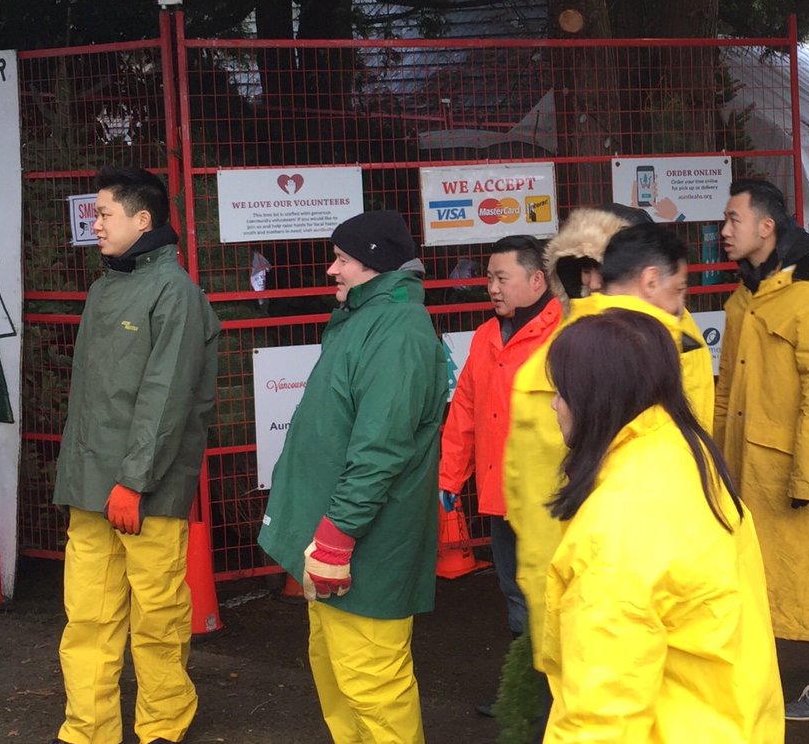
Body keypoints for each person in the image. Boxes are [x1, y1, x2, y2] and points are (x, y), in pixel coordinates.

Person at [540, 309, 785, 742]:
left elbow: (602, 715)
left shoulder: (616, 528)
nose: (554, 404)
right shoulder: (686, 453)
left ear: (598, 398)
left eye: (562, 391)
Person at [257, 210, 447, 744]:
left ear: (375, 266)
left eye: (342, 259)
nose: (330, 271)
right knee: (339, 674)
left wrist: (338, 537)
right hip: (340, 540)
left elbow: (381, 448)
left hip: (365, 547)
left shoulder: (397, 331)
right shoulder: (368, 319)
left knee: (372, 685)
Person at [52, 166, 221, 744]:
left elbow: (166, 399)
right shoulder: (105, 287)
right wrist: (83, 482)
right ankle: (87, 731)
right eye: (95, 214)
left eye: (103, 214)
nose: (93, 223)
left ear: (142, 219)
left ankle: (163, 730)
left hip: (144, 494)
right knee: (88, 621)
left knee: (158, 623)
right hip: (92, 490)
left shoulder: (176, 294)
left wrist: (134, 482)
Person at [505, 219, 713, 672]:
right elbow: (689, 461)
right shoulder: (672, 347)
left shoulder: (551, 355)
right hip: (636, 595)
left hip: (564, 590)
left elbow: (522, 496)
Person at [714, 178, 809, 722]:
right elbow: (727, 389)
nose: (724, 231)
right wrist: (716, 460)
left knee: (805, 571)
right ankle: (757, 682)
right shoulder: (744, 299)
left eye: (733, 220)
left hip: (791, 473)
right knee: (751, 575)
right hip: (744, 466)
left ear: (766, 227)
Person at [438, 234, 562, 715]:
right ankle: (527, 693)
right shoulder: (488, 335)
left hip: (550, 498)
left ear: (536, 280)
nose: (491, 287)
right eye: (488, 277)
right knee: (515, 594)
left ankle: (558, 696)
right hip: (501, 495)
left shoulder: (563, 334)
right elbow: (465, 409)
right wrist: (450, 478)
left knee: (553, 596)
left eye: (501, 278)